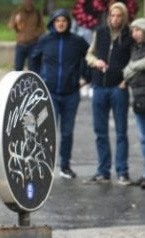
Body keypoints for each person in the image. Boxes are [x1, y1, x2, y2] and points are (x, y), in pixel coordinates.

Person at [31, 9, 90, 180]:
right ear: (53, 23)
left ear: (68, 23)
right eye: (58, 21)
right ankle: (43, 166)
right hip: (49, 94)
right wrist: (38, 79)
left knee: (67, 132)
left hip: (71, 94)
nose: (61, 23)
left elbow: (90, 57)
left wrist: (86, 78)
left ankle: (65, 166)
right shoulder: (45, 40)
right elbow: (34, 59)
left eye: (64, 20)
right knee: (46, 132)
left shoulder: (77, 41)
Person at [84, 1, 133, 185]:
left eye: (119, 15)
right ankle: (103, 171)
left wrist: (125, 80)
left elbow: (133, 60)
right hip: (99, 86)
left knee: (121, 132)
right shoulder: (101, 32)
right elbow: (89, 54)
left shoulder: (129, 36)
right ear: (108, 16)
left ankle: (122, 171)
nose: (115, 18)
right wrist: (95, 62)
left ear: (124, 17)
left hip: (118, 88)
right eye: (112, 15)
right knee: (100, 132)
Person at [123, 17, 145, 188]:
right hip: (138, 98)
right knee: (143, 138)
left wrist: (134, 66)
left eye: (137, 30)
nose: (134, 33)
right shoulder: (134, 48)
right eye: (133, 30)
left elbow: (132, 68)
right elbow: (127, 73)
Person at [8, 0, 44, 72]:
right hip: (21, 44)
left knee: (33, 68)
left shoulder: (37, 13)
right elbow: (10, 26)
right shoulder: (17, 12)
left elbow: (42, 28)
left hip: (33, 44)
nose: (28, 2)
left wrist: (34, 34)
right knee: (18, 68)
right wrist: (16, 21)